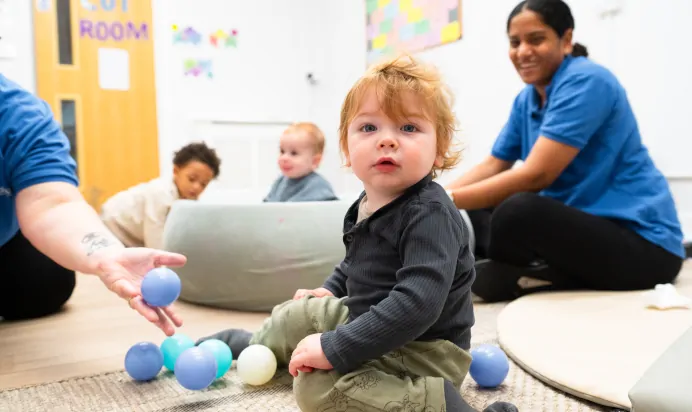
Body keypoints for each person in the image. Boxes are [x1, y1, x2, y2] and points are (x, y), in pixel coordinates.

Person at [199, 56, 516, 412]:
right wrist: (331, 289)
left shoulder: (430, 213)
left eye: (408, 128)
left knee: (317, 389)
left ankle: (440, 403)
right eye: (369, 128)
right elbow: (354, 263)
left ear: (439, 150)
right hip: (368, 318)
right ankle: (259, 345)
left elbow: (418, 304)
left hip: (424, 350)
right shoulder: (366, 203)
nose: (386, 141)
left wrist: (336, 347)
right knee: (301, 311)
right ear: (347, 150)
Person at [445, 0, 685, 303]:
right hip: (584, 230)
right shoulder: (527, 99)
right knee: (481, 200)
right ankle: (525, 270)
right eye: (515, 42)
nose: (522, 52)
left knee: (517, 209)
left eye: (536, 39)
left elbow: (536, 175)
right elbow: (494, 163)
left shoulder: (588, 81)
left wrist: (444, 201)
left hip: (645, 248)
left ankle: (524, 272)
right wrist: (428, 196)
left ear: (566, 40)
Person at [0, 73, 185, 336]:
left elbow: (52, 203)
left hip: (6, 239)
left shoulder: (22, 115)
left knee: (48, 281)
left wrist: (106, 254)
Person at [100, 142, 221, 250]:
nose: (196, 187)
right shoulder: (160, 195)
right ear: (176, 171)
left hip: (134, 235)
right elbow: (155, 241)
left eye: (203, 184)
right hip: (114, 225)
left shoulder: (188, 200)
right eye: (192, 179)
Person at [263, 122, 338, 202]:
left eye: (294, 153)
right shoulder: (280, 182)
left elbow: (329, 210)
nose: (284, 158)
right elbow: (267, 206)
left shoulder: (319, 186)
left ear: (314, 161)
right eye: (282, 151)